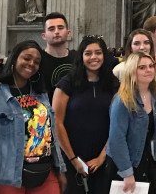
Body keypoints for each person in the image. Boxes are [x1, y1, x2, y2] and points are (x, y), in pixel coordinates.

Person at [0, 40, 67, 194]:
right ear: (15, 59)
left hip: (45, 174)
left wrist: (60, 170)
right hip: (8, 178)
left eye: (36, 62)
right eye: (26, 58)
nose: (31, 64)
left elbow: (51, 136)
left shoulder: (42, 96)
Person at [52, 36, 119, 194]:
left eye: (98, 53)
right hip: (72, 156)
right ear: (81, 57)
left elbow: (118, 124)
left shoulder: (113, 84)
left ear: (104, 55)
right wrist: (74, 160)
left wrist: (102, 157)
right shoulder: (67, 83)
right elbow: (57, 122)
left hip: (104, 157)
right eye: (88, 53)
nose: (94, 57)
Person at [107, 52, 156, 194]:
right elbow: (116, 140)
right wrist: (127, 173)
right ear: (132, 71)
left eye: (151, 66)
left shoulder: (155, 97)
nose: (149, 70)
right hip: (127, 164)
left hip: (149, 161)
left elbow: (151, 127)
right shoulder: (122, 101)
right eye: (142, 67)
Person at [40, 12, 78, 100]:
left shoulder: (78, 58)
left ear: (68, 33)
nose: (56, 32)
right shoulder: (37, 59)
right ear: (44, 36)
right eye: (51, 29)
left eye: (60, 28)